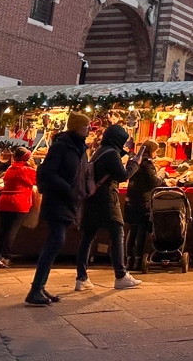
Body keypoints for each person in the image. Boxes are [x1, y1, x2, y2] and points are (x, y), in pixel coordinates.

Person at [27, 113, 91, 307]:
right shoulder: (62, 146)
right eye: (86, 126)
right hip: (58, 200)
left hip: (69, 200)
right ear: (77, 127)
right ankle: (35, 289)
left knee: (56, 241)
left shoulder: (79, 148)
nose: (89, 130)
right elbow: (47, 172)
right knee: (56, 240)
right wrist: (67, 188)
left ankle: (40, 286)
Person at [75, 124, 142, 291]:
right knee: (117, 233)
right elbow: (122, 175)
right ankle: (121, 275)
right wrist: (135, 163)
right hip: (107, 199)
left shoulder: (100, 151)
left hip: (92, 200)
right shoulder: (111, 153)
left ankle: (81, 278)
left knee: (88, 237)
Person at [0, 147, 36, 268]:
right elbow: (38, 180)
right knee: (12, 230)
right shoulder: (26, 170)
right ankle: (5, 257)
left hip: (4, 201)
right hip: (18, 202)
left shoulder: (10, 168)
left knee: (2, 229)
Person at [125, 139, 162, 272]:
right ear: (151, 150)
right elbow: (153, 182)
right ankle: (138, 260)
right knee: (141, 230)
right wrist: (163, 179)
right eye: (156, 150)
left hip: (130, 199)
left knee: (132, 229)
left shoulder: (134, 160)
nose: (156, 153)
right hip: (142, 200)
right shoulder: (147, 164)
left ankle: (129, 260)